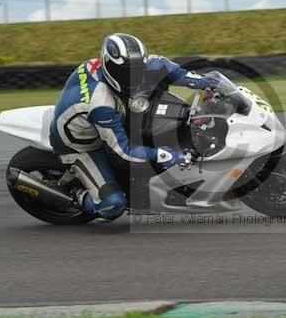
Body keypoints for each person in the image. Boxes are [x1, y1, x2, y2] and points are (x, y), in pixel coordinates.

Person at [49, 33, 219, 221]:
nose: (135, 77)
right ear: (111, 67)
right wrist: (167, 155)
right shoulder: (102, 104)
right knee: (113, 205)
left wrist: (206, 83)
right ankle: (77, 196)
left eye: (138, 69)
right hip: (80, 145)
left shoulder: (120, 67)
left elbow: (166, 67)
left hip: (98, 118)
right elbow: (124, 151)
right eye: (127, 72)